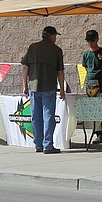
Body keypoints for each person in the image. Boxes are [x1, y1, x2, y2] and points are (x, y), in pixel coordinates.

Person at [21, 25, 66, 154]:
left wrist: (25, 85)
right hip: (49, 87)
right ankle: (48, 145)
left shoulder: (33, 47)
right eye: (55, 36)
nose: (56, 38)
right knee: (48, 116)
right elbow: (60, 72)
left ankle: (38, 144)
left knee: (36, 116)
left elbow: (25, 67)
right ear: (52, 36)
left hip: (33, 87)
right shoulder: (57, 50)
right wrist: (62, 89)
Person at [81, 29, 102, 144]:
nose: (90, 43)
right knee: (95, 112)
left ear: (97, 39)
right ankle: (99, 134)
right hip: (90, 85)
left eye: (92, 41)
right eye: (88, 41)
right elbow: (85, 67)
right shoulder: (86, 54)